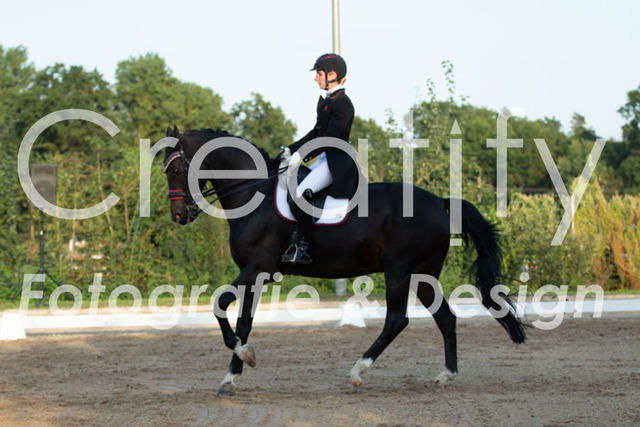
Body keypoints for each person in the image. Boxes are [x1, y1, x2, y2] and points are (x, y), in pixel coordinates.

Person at [281, 53, 360, 265]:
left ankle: (303, 248)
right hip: (325, 158)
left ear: (332, 75)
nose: (316, 78)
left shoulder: (343, 103)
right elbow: (315, 133)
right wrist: (290, 149)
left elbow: (330, 138)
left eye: (319, 74)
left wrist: (302, 156)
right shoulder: (327, 102)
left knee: (301, 192)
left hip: (337, 161)